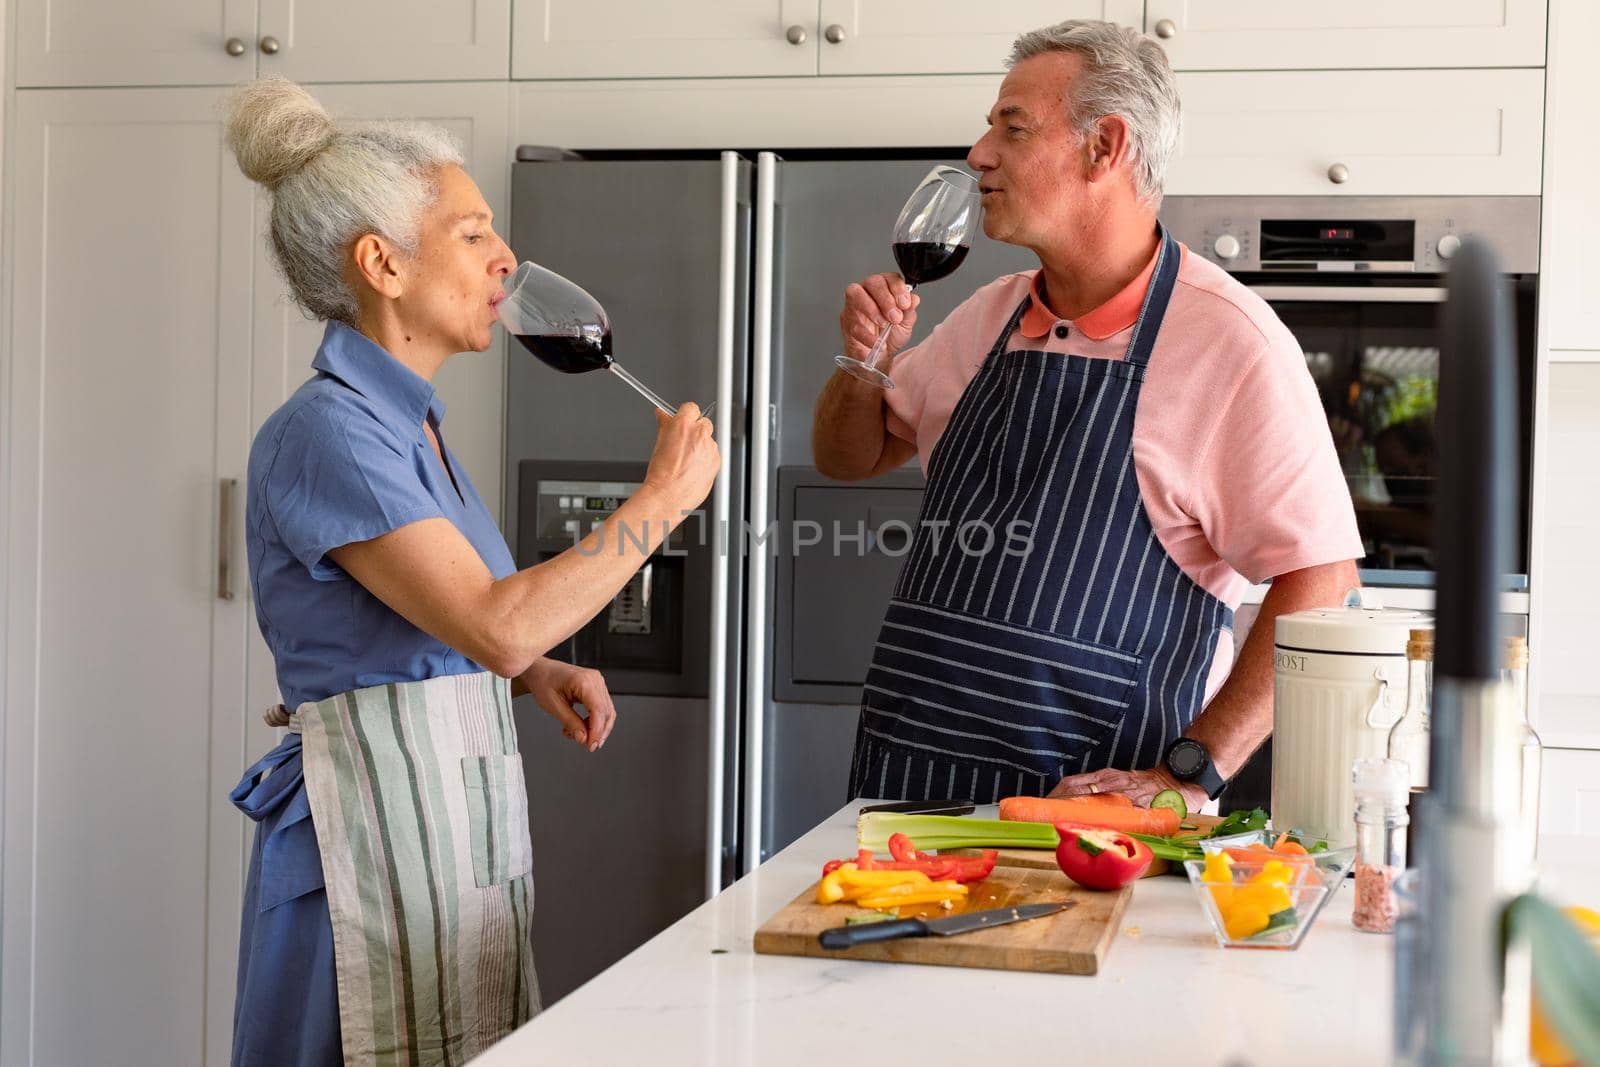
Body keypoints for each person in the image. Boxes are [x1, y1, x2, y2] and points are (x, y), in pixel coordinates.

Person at [223, 78, 718, 1066]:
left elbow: (461, 627)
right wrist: (660, 502)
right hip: (362, 857)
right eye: (474, 233)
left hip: (442, 841)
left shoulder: (410, 425)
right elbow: (496, 622)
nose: (506, 260)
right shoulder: (332, 432)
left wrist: (535, 674)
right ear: (381, 263)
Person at [813, 20, 1362, 810]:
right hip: (912, 794)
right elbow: (849, 456)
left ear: (1104, 146)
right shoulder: (986, 315)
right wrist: (863, 364)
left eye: (1011, 127)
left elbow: (1323, 577)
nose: (978, 154)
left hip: (1093, 832)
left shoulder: (1230, 344)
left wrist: (1184, 776)